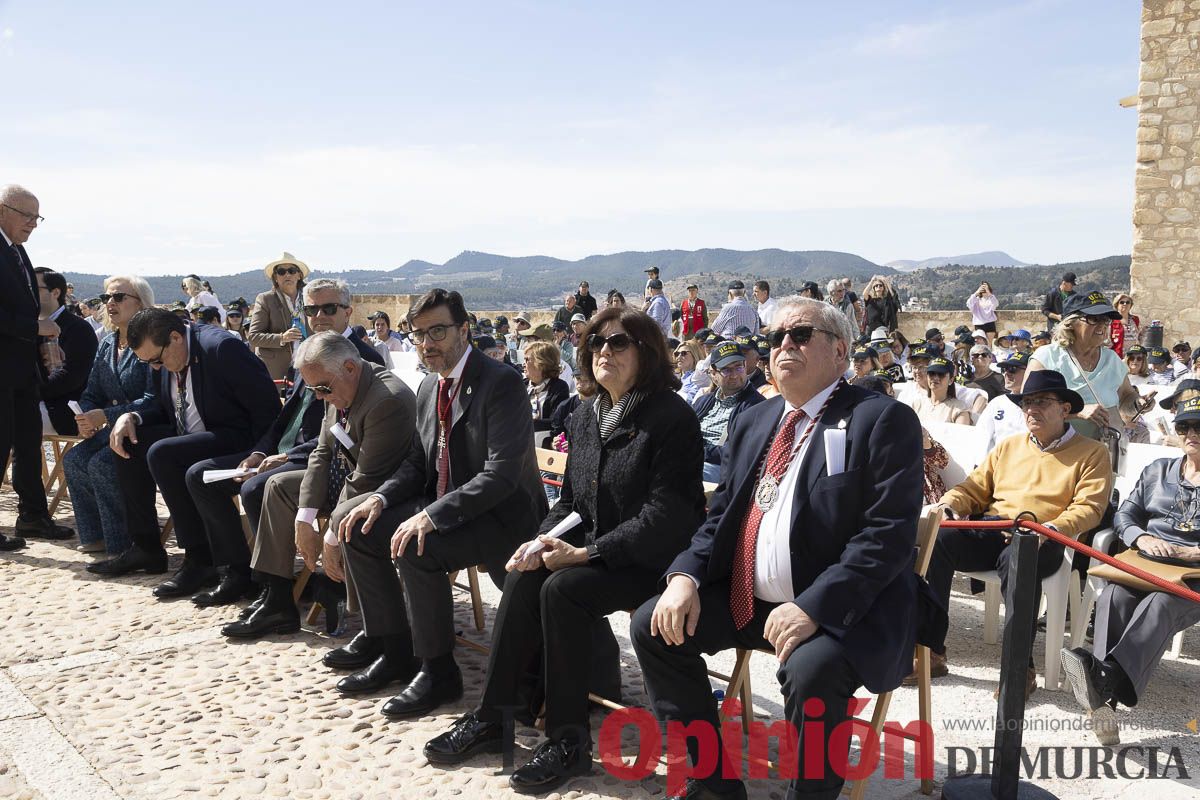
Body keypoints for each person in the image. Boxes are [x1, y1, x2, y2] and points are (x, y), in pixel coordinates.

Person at [632, 295, 929, 800]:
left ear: (840, 352)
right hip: (752, 599)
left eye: (800, 335)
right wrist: (684, 577)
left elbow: (886, 536)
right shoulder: (754, 421)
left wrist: (813, 608)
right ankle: (714, 783)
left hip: (841, 610)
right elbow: (721, 517)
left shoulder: (880, 419)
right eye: (776, 338)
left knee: (811, 669)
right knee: (653, 625)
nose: (784, 345)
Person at [423, 306, 706, 793]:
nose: (603, 352)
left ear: (647, 350)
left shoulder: (670, 416)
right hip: (597, 549)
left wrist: (584, 555)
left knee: (564, 589)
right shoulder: (586, 413)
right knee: (525, 572)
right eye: (596, 343)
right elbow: (573, 501)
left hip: (654, 559)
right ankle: (495, 716)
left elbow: (668, 517)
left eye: (618, 343)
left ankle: (569, 742)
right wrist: (540, 539)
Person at [332, 289, 547, 716]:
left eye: (438, 331)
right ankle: (394, 650)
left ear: (464, 329)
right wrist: (380, 497)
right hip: (452, 509)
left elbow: (500, 475)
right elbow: (418, 460)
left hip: (502, 517)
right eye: (419, 335)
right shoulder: (430, 385)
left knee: (416, 546)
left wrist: (429, 516)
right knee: (359, 527)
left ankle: (438, 672)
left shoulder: (500, 382)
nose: (428, 343)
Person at [184, 293, 385, 607]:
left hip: (320, 460)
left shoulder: (362, 361)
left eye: (328, 308)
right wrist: (260, 452)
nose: (318, 315)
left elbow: (341, 437)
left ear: (348, 311)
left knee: (256, 488)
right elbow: (282, 419)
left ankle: (275, 587)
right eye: (310, 309)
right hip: (283, 453)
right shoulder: (308, 352)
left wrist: (287, 456)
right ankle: (237, 571)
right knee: (201, 477)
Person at [926, 369, 1113, 696]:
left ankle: (1019, 669)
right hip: (996, 526)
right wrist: (948, 503)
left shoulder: (1092, 453)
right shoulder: (1009, 446)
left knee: (1019, 557)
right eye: (1026, 403)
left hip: (1046, 537)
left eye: (1041, 402)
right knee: (937, 540)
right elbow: (974, 487)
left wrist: (1051, 528)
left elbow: (1090, 508)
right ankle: (930, 650)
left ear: (1065, 409)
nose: (1031, 410)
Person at [221, 332, 417, 639]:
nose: (320, 397)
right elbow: (322, 452)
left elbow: (367, 478)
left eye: (323, 388)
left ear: (350, 369)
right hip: (347, 476)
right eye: (315, 390)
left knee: (338, 516)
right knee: (277, 485)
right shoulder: (336, 385)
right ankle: (278, 599)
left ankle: (370, 623)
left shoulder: (385, 400)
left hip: (383, 487)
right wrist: (304, 518)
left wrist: (328, 537)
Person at [86, 309, 280, 600]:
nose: (154, 368)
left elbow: (270, 413)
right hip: (191, 434)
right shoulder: (166, 354)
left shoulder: (221, 349)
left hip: (236, 438)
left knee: (165, 454)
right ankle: (146, 546)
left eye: (156, 360)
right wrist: (132, 416)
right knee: (131, 441)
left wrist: (258, 453)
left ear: (176, 338)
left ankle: (201, 558)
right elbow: (161, 407)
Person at [1061, 396, 1200, 745]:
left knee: (1161, 605)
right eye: (1184, 426)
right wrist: (1142, 537)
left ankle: (1101, 685)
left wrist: (1195, 551)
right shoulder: (1158, 471)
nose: (1190, 434)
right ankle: (1104, 700)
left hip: (1193, 574)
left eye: (1199, 427)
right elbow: (1125, 515)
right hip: (1146, 562)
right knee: (1115, 596)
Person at [63, 276, 158, 555]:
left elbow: (154, 400)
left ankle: (124, 542)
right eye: (106, 298)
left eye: (118, 297)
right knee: (74, 460)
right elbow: (92, 389)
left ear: (140, 303)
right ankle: (96, 535)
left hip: (146, 425)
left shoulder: (153, 340)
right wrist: (85, 415)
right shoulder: (107, 343)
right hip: (111, 426)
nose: (110, 304)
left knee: (102, 463)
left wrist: (105, 414)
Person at [0, 184, 70, 550]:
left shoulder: (17, 252)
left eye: (37, 217)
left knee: (29, 442)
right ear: (2, 210)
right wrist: (34, 327)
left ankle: (33, 515)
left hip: (22, 369)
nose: (33, 224)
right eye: (27, 216)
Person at [1029, 291, 1154, 441]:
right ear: (1071, 323)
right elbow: (1029, 408)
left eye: (1106, 320)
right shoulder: (1046, 358)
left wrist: (1138, 403)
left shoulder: (1111, 359)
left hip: (1107, 451)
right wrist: (1077, 413)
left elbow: (1126, 396)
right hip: (1062, 452)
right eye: (1094, 319)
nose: (1102, 325)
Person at [34, 268, 98, 436]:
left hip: (64, 410)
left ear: (55, 293)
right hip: (35, 402)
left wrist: (27, 392)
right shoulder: (34, 326)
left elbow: (71, 377)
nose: (28, 292)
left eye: (34, 287)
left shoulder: (78, 328)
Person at [692, 341, 764, 482]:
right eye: (726, 370)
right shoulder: (703, 401)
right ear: (713, 373)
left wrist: (697, 451)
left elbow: (737, 452)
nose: (734, 375)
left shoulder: (757, 406)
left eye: (738, 367)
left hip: (721, 468)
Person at [248, 253, 310, 381]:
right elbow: (253, 337)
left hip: (307, 364)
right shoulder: (266, 299)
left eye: (292, 271)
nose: (287, 275)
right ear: (275, 277)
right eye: (281, 271)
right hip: (277, 370)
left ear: (299, 275)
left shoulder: (309, 298)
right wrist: (282, 338)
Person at [978, 351, 1031, 450]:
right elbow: (982, 436)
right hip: (999, 461)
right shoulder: (997, 403)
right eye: (1005, 369)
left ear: (1029, 372)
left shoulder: (1041, 404)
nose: (1007, 373)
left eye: (1013, 369)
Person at [524, 340, 570, 438]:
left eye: (527, 360)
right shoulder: (521, 385)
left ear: (541, 363)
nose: (524, 364)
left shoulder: (559, 388)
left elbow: (556, 421)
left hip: (545, 444)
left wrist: (525, 423)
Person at [908, 357, 972, 425]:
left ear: (951, 380)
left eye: (941, 374)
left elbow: (961, 434)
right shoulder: (917, 404)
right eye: (932, 373)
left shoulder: (959, 408)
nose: (935, 378)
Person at [674, 339, 708, 403]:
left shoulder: (700, 377)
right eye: (677, 354)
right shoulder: (677, 376)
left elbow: (689, 401)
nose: (679, 357)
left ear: (694, 354)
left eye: (683, 353)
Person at [967, 281, 1000, 347]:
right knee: (979, 344)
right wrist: (977, 292)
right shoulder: (976, 300)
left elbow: (995, 305)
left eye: (985, 287)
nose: (984, 289)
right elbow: (968, 304)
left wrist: (988, 292)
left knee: (989, 344)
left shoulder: (991, 299)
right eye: (983, 288)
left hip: (989, 323)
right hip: (978, 324)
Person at [1110, 293, 1139, 358]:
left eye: (1128, 302)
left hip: (1132, 356)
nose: (1125, 304)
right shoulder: (1111, 321)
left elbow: (1138, 337)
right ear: (1117, 305)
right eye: (1122, 302)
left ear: (1131, 305)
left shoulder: (1135, 319)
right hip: (1117, 356)